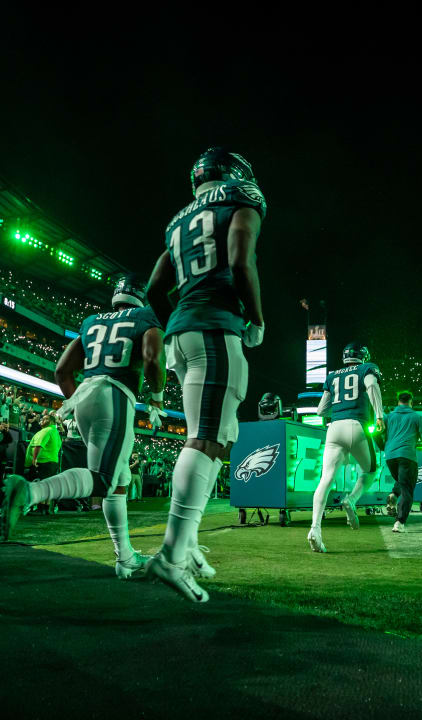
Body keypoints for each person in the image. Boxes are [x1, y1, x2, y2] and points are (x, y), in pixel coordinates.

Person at [142, 148, 265, 602]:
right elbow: (239, 259)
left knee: (213, 437)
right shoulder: (239, 200)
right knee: (206, 440)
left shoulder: (178, 222)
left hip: (184, 333)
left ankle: (188, 543)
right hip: (214, 328)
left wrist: (180, 319)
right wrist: (255, 317)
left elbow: (155, 287)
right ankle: (170, 557)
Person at [0, 277, 166, 581]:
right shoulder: (145, 316)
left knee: (119, 480)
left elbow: (62, 370)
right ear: (141, 296)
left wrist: (76, 402)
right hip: (114, 393)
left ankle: (125, 556)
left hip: (86, 393)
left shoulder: (92, 322)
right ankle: (30, 492)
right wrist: (156, 400)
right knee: (102, 480)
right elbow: (154, 359)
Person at [305, 342, 385, 551]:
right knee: (370, 471)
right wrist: (379, 415)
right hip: (357, 425)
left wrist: (339, 409)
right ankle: (352, 499)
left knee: (325, 479)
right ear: (363, 356)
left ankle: (315, 528)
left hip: (334, 428)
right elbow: (371, 386)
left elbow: (321, 410)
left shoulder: (332, 375)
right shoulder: (365, 368)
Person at [382, 390, 422, 533]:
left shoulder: (388, 417)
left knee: (402, 482)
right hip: (407, 456)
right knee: (408, 489)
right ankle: (400, 522)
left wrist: (385, 448)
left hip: (390, 457)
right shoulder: (417, 417)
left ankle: (394, 495)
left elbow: (378, 433)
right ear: (411, 401)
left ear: (398, 401)